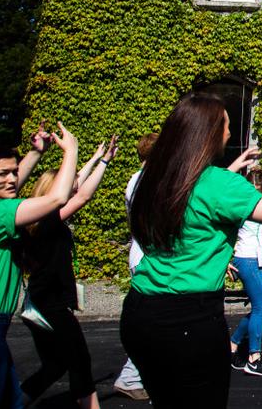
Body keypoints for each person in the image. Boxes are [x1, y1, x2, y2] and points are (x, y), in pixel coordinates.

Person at [120, 93, 262, 408]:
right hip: (189, 318)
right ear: (208, 133)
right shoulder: (218, 184)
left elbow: (204, 191)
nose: (230, 133)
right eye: (226, 126)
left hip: (140, 312)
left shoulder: (157, 178)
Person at [0, 123, 80, 409]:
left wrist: (35, 154)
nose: (11, 179)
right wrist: (71, 151)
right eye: (2, 173)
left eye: (14, 172)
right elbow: (57, 198)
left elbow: (9, 183)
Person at [19, 135, 119, 409]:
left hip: (40, 302)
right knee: (79, 361)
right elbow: (83, 194)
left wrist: (96, 158)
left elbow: (74, 184)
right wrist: (105, 163)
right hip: (51, 305)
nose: (71, 189)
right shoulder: (48, 220)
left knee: (54, 365)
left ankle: (14, 402)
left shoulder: (36, 219)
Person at [114, 133, 157, 400]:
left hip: (142, 254)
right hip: (147, 258)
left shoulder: (137, 180)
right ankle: (131, 377)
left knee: (152, 322)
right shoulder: (147, 183)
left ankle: (136, 376)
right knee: (153, 323)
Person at [228, 167, 262, 376]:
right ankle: (253, 358)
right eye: (252, 188)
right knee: (261, 307)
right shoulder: (239, 206)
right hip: (247, 258)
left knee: (258, 307)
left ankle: (233, 345)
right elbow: (224, 230)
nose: (254, 192)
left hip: (258, 259)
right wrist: (226, 261)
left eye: (258, 189)